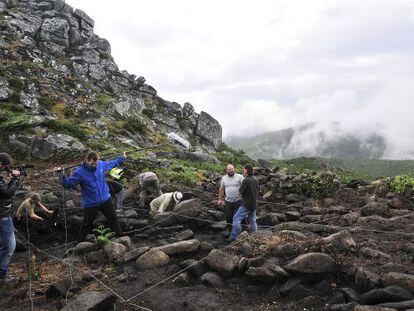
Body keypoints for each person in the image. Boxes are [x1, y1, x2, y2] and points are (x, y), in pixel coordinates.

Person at [60, 151, 127, 242]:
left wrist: (122, 157)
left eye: (95, 163)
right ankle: (79, 242)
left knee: (113, 218)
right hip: (91, 204)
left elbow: (111, 164)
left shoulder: (100, 164)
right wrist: (62, 175)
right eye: (92, 164)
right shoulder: (79, 172)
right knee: (87, 224)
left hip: (105, 199)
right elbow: (68, 184)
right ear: (87, 161)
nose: (94, 166)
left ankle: (120, 237)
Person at [0, 152, 21, 282]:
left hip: (3, 216)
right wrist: (16, 178)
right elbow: (7, 192)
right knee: (9, 247)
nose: (5, 168)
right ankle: (2, 274)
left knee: (2, 244)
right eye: (4, 166)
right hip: (3, 216)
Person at [229, 164, 259, 241]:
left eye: (244, 169)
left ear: (246, 170)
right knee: (252, 220)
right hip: (254, 203)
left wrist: (242, 198)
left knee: (236, 218)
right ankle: (254, 235)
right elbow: (257, 191)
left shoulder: (246, 180)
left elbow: (239, 193)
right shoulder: (255, 179)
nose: (243, 171)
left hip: (246, 204)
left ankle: (233, 237)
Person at [217, 164, 244, 231]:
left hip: (238, 200)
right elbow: (221, 188)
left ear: (234, 169)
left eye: (232, 169)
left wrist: (244, 197)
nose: (231, 170)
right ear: (226, 170)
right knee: (228, 216)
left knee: (240, 216)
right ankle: (230, 230)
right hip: (228, 201)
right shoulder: (224, 178)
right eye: (229, 169)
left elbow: (245, 186)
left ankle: (242, 230)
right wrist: (220, 199)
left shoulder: (240, 177)